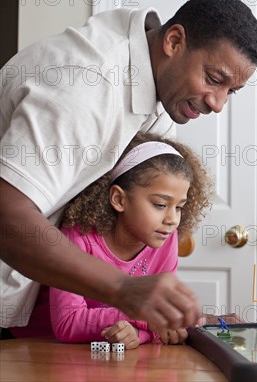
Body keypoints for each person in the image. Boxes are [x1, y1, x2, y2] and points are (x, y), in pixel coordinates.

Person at [0, 0, 257, 333]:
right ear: (173, 41)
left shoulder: (156, 82)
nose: (218, 104)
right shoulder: (84, 88)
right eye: (214, 79)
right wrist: (122, 289)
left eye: (232, 90)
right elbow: (8, 215)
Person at [11, 133, 211, 348]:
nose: (172, 220)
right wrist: (151, 319)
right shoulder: (80, 235)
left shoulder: (166, 240)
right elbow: (67, 323)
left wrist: (140, 333)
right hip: (36, 349)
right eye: (160, 205)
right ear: (119, 199)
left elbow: (156, 327)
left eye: (179, 207)